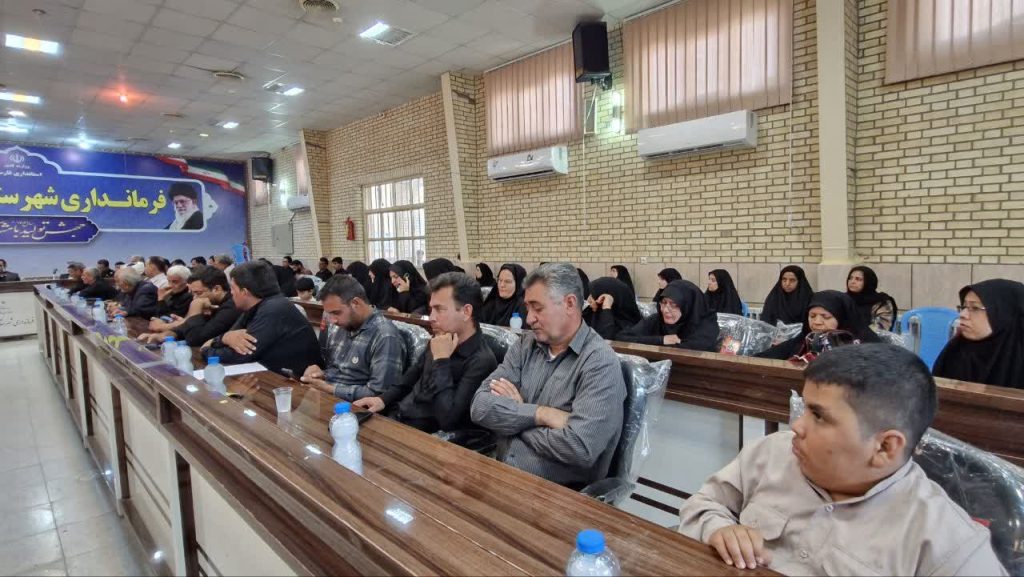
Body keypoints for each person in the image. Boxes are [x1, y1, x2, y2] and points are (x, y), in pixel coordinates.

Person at [678, 344, 1007, 576]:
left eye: (819, 416)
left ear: (885, 447)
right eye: (804, 408)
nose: (797, 426)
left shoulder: (946, 542)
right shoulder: (772, 453)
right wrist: (720, 529)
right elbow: (703, 504)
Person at [470, 262, 626, 488]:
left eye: (538, 308)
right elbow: (480, 407)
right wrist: (541, 414)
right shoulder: (525, 346)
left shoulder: (599, 363)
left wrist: (516, 416)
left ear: (569, 304)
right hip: (502, 475)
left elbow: (580, 447)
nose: (529, 318)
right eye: (528, 308)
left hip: (555, 494)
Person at [354, 272, 498, 433]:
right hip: (399, 416)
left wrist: (441, 361)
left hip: (424, 435)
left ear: (466, 312)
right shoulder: (441, 338)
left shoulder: (482, 361)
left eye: (439, 309)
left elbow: (448, 419)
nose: (431, 317)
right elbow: (410, 377)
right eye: (431, 309)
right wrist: (382, 399)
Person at [200, 261, 321, 376]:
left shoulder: (273, 309)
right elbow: (231, 339)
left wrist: (206, 349)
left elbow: (240, 354)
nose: (231, 293)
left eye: (232, 288)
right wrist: (224, 338)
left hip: (297, 383)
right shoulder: (258, 306)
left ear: (244, 292)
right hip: (274, 376)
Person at [300, 275, 405, 402]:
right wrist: (321, 374)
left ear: (356, 303)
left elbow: (380, 393)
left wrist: (330, 389)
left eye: (336, 313)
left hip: (354, 407)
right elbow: (336, 370)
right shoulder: (342, 326)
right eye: (329, 314)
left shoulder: (385, 336)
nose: (332, 321)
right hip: (327, 398)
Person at [933, 279, 1024, 388]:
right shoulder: (955, 350)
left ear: (1005, 314)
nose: (963, 314)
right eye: (963, 307)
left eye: (975, 308)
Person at [757, 290, 881, 361]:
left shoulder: (866, 345)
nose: (817, 322)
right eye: (812, 316)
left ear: (842, 318)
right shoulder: (804, 340)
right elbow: (767, 357)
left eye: (825, 317)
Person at [138, 266, 242, 347]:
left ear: (217, 289)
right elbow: (187, 326)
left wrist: (195, 308)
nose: (194, 298)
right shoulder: (210, 302)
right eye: (192, 293)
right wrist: (164, 336)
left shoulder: (232, 306)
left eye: (198, 293)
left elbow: (195, 339)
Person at [619, 280, 720, 351]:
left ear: (687, 306)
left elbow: (694, 349)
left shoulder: (705, 323)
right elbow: (622, 337)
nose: (665, 310)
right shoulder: (657, 319)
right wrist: (661, 340)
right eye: (664, 302)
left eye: (673, 304)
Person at [846, 265, 898, 332]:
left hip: (871, 338)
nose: (852, 282)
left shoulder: (881, 302)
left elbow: (881, 329)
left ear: (868, 282)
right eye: (850, 278)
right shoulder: (843, 299)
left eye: (858, 279)